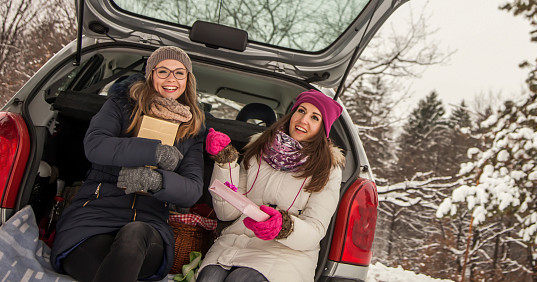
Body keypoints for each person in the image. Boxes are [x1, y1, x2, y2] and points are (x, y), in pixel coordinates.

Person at [50, 46, 206, 282]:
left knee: (135, 233)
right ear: (150, 74)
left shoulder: (193, 130)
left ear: (188, 79)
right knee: (114, 266)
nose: (171, 79)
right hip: (93, 218)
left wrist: (157, 181)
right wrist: (153, 152)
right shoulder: (121, 105)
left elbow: (193, 190)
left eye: (179, 73)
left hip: (149, 227)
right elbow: (95, 145)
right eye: (163, 71)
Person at [198, 90, 345, 282]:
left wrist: (284, 227)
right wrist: (225, 162)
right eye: (301, 111)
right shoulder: (258, 147)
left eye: (314, 117)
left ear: (322, 128)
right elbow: (227, 213)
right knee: (209, 278)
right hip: (235, 243)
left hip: (285, 253)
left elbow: (316, 229)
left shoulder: (328, 168)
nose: (303, 120)